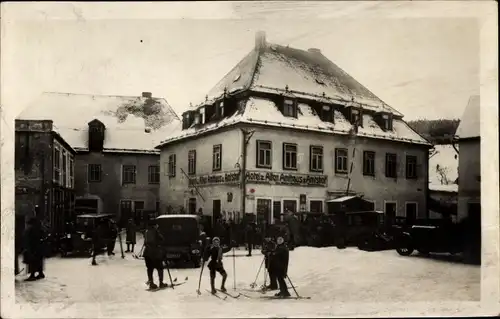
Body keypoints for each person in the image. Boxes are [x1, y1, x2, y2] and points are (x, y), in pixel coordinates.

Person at [143, 220, 167, 289]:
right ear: (155, 225)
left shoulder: (146, 232)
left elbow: (145, 243)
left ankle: (151, 283)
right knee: (160, 268)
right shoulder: (155, 231)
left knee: (150, 269)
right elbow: (161, 239)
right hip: (155, 253)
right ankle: (161, 283)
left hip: (147, 253)